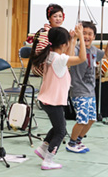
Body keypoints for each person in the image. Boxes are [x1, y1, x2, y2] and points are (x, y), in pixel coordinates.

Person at [32, 25, 86, 170]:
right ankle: (48, 160)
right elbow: (82, 58)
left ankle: (43, 148)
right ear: (63, 44)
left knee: (57, 126)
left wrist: (73, 39)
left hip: (46, 99)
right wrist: (80, 37)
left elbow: (67, 55)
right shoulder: (60, 59)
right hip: (53, 101)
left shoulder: (50, 55)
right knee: (61, 131)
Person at [66, 21, 108, 153]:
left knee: (91, 119)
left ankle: (78, 141)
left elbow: (106, 56)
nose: (86, 36)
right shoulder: (76, 49)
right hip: (79, 91)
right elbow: (69, 56)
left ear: (94, 37)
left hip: (91, 91)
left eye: (89, 34)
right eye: (84, 33)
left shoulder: (94, 50)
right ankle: (71, 143)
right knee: (82, 119)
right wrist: (75, 38)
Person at [30, 3, 76, 76]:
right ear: (49, 18)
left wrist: (72, 39)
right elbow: (41, 55)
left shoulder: (60, 32)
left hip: (55, 62)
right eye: (55, 16)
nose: (58, 19)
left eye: (60, 16)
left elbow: (67, 53)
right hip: (42, 65)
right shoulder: (45, 32)